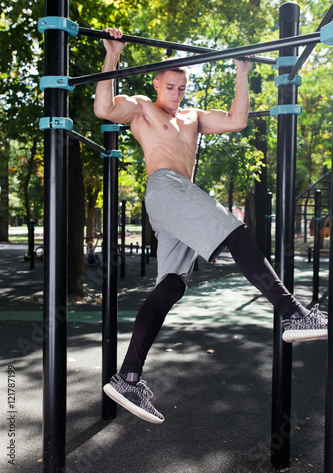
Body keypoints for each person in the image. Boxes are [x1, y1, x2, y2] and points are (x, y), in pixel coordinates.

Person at [94, 27, 328, 425]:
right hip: (166, 188)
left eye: (182, 88)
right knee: (234, 231)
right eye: (170, 86)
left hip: (177, 198)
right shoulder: (140, 108)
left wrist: (242, 71)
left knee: (172, 283)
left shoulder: (193, 117)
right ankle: (292, 312)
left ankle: (129, 376)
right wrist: (112, 55)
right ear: (156, 83)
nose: (176, 94)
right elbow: (103, 108)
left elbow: (237, 120)